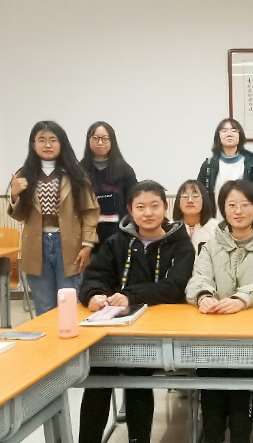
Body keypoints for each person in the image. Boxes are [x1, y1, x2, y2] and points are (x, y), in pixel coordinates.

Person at [78, 180, 195, 443]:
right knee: (98, 376)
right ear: (130, 210)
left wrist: (130, 296)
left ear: (165, 208)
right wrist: (94, 295)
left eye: (155, 206)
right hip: (115, 330)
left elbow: (174, 287)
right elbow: (96, 277)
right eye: (140, 207)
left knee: (138, 379)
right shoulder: (115, 243)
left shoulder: (180, 245)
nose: (148, 213)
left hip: (157, 332)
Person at [185, 179, 253, 443]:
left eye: (245, 204)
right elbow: (199, 277)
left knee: (241, 400)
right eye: (231, 205)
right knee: (211, 397)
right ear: (223, 209)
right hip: (212, 335)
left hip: (250, 338)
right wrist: (203, 296)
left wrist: (242, 299)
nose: (238, 211)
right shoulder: (212, 244)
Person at [8, 121, 99, 315]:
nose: (47, 145)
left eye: (53, 140)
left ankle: (71, 336)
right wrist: (14, 195)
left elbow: (90, 212)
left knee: (69, 305)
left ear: (61, 143)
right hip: (36, 244)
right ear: (33, 144)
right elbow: (20, 215)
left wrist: (87, 245)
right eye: (41, 140)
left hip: (69, 244)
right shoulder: (23, 175)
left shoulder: (76, 174)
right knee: (44, 307)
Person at [80, 121, 138, 250]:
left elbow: (134, 202)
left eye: (105, 138)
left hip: (119, 234)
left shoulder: (125, 169)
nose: (100, 142)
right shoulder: (80, 170)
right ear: (89, 140)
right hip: (88, 236)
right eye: (96, 138)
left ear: (112, 141)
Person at [198, 118, 253, 215]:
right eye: (224, 131)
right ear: (218, 136)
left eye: (234, 131)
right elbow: (200, 195)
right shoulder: (208, 165)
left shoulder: (251, 164)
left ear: (240, 136)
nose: (229, 134)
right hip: (214, 221)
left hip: (243, 219)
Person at [172, 179, 218, 257]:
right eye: (185, 196)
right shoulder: (169, 230)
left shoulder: (216, 229)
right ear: (178, 201)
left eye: (195, 196)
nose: (190, 200)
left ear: (204, 200)